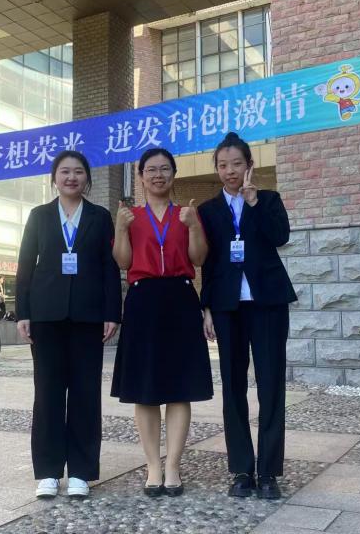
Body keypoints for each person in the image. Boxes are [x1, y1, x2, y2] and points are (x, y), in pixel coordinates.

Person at [16, 150, 122, 500]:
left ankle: (80, 471)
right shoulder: (40, 215)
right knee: (47, 394)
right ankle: (47, 472)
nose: (71, 177)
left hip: (88, 317)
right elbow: (25, 265)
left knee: (85, 394)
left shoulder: (99, 216)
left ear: (87, 178)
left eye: (78, 172)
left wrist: (112, 312)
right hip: (46, 317)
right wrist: (23, 312)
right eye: (65, 172)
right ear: (54, 178)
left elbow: (109, 267)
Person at [198, 132, 297, 501]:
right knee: (232, 386)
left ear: (249, 165)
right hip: (228, 307)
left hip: (267, 303)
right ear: (217, 169)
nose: (230, 171)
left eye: (236, 164)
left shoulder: (268, 199)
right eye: (223, 165)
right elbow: (207, 263)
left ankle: (268, 472)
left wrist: (254, 203)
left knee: (271, 384)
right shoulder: (208, 210)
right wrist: (207, 308)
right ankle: (242, 469)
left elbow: (280, 236)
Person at [111, 148, 213, 498]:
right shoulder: (132, 216)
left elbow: (199, 258)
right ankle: (153, 465)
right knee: (145, 387)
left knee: (179, 387)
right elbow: (123, 262)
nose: (158, 175)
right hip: (143, 300)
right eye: (151, 170)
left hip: (181, 298)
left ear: (174, 174)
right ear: (141, 176)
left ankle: (173, 465)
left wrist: (194, 226)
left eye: (165, 169)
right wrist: (120, 229)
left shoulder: (186, 214)